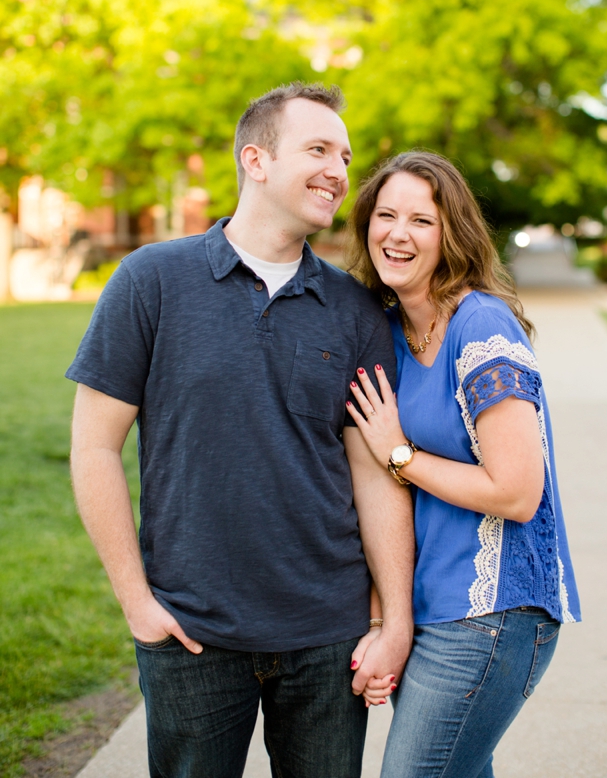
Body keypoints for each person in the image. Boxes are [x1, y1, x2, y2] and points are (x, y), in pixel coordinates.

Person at [67, 82, 414, 778]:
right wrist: (137, 603)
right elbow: (94, 447)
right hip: (192, 632)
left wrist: (392, 620)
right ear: (255, 160)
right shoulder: (150, 282)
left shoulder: (355, 310)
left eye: (345, 156)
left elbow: (374, 472)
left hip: (326, 635)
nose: (340, 172)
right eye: (318, 149)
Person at [341, 150, 580, 777]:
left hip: (493, 613)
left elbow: (517, 492)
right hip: (430, 607)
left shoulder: (482, 327)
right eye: (385, 215)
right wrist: (384, 620)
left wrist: (400, 454)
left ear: (453, 235)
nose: (398, 233)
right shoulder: (388, 330)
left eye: (421, 220)